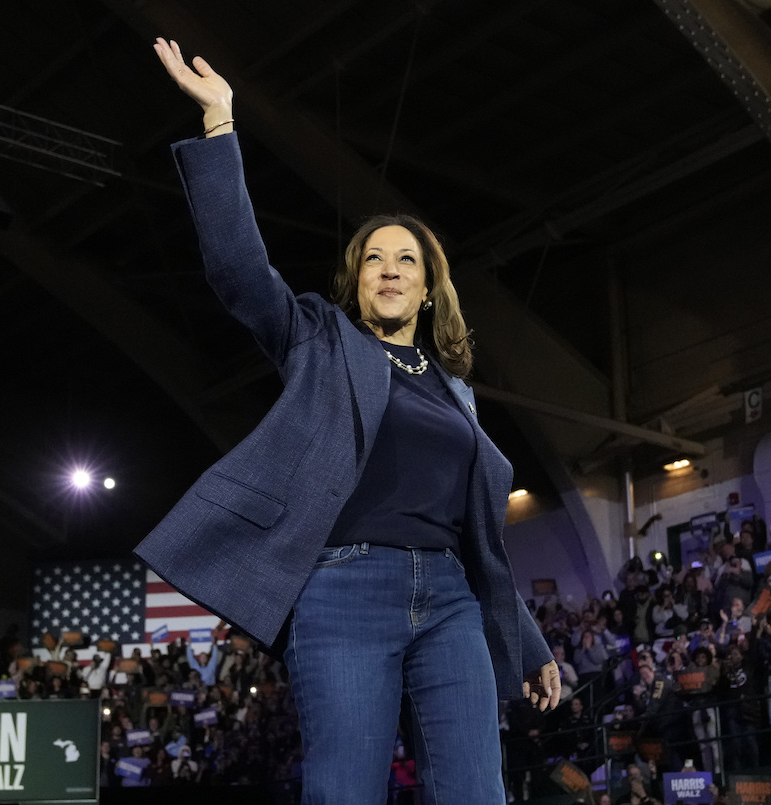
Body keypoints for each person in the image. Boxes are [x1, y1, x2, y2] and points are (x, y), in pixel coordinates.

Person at [135, 37, 558, 805]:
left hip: (453, 599)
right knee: (344, 791)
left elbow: (480, 539)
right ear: (354, 282)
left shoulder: (456, 392)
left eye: (405, 260)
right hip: (343, 590)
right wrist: (221, 124)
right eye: (372, 259)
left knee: (477, 791)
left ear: (429, 289)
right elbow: (237, 271)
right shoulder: (318, 340)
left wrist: (528, 644)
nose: (389, 268)